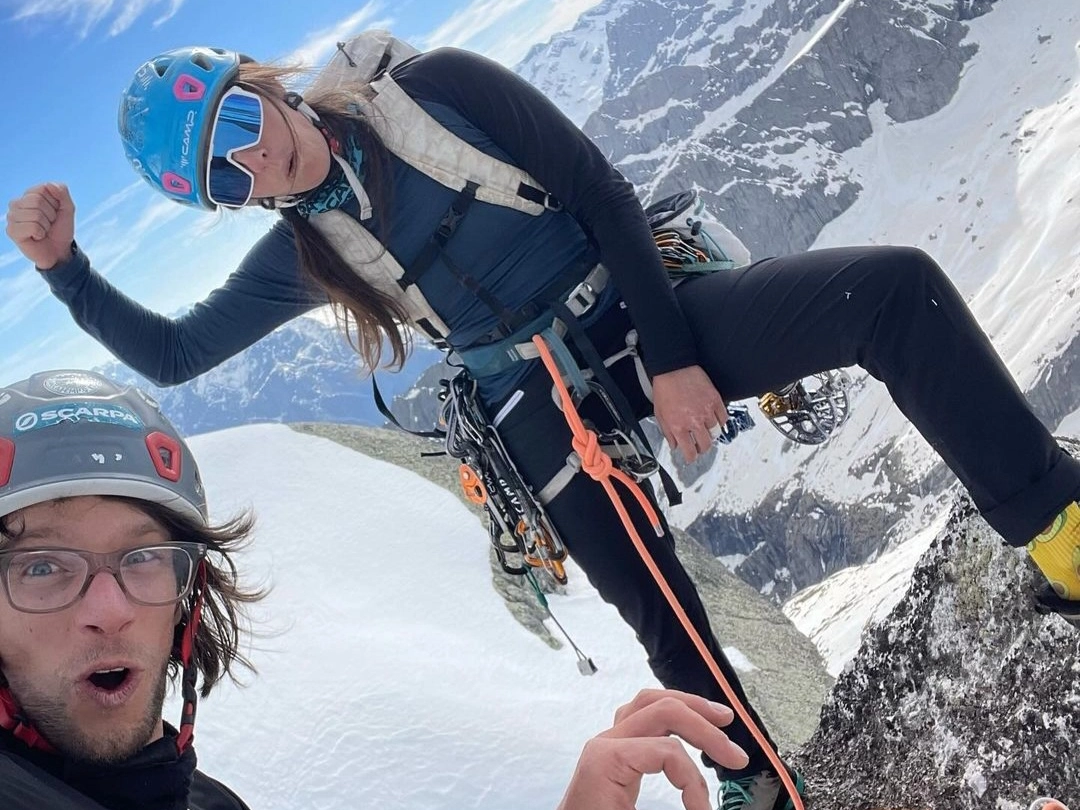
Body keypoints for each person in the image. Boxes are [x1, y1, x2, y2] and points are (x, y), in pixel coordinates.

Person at [6, 36, 1080, 807]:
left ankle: (1058, 527)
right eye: (220, 181)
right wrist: (67, 272)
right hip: (530, 400)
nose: (252, 166)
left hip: (631, 307)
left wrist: (672, 365)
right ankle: (758, 786)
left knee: (893, 293)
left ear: (257, 83)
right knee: (664, 615)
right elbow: (179, 354)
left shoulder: (431, 90)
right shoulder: (306, 252)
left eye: (236, 127)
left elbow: (599, 192)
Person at [0, 369, 752, 810]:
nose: (111, 610)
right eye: (42, 567)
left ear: (190, 599)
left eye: (143, 559)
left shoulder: (194, 797)